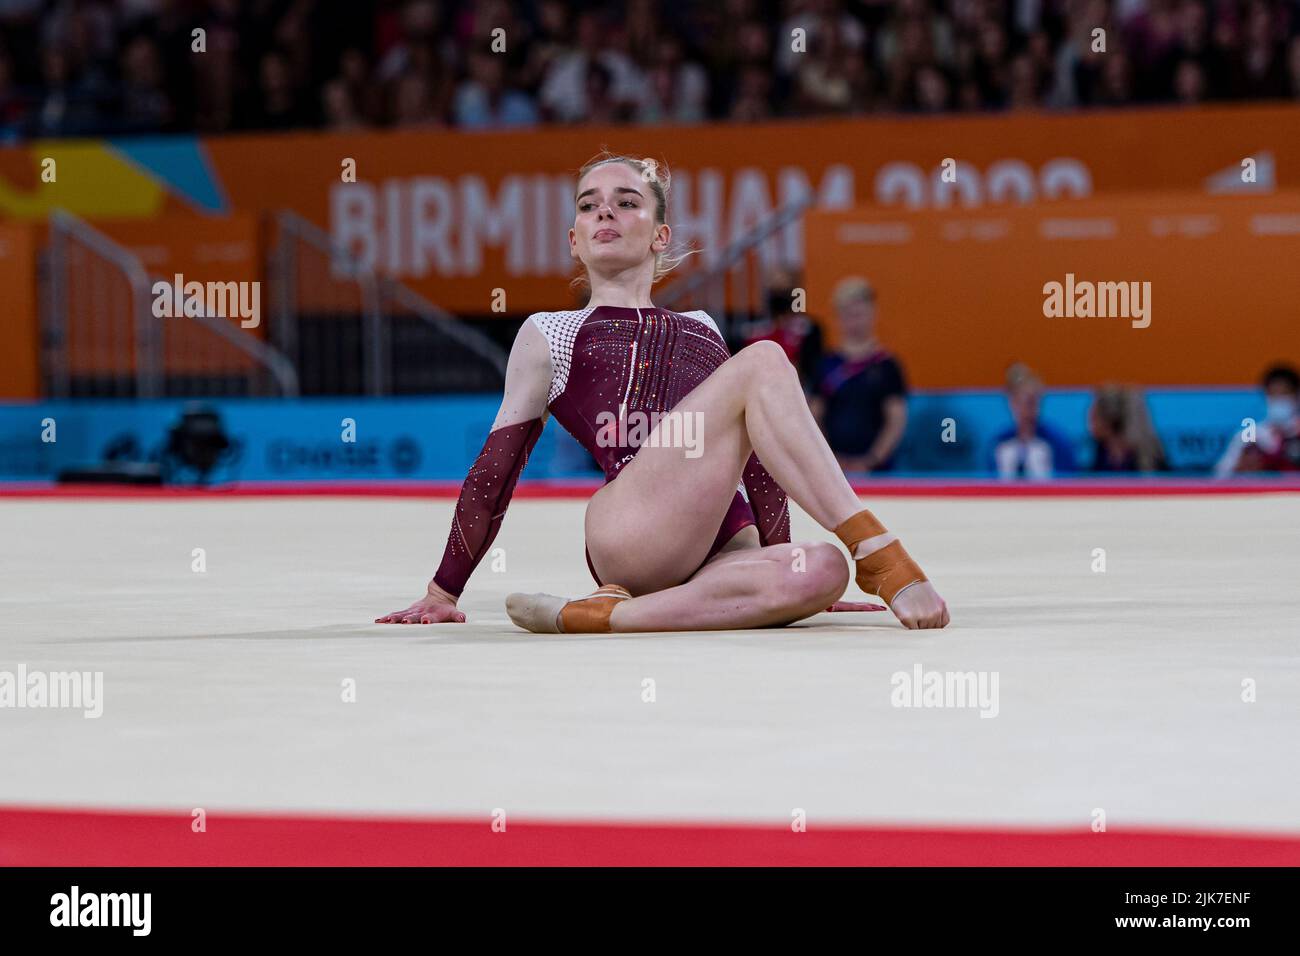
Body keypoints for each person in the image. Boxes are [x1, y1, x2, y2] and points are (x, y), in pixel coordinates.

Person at [377, 154, 948, 632]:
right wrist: (443, 589)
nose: (605, 210)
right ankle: (878, 551)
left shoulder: (703, 327)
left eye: (627, 201)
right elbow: (495, 469)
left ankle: (603, 618)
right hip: (632, 532)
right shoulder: (550, 331)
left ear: (660, 235)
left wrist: (779, 553)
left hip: (725, 544)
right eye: (588, 204)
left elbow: (761, 463)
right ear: (574, 241)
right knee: (767, 360)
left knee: (819, 570)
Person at [809, 278, 908, 474]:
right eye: (848, 315)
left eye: (859, 314)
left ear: (872, 314)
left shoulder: (887, 365)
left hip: (877, 471)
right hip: (833, 471)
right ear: (838, 318)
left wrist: (872, 460)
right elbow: (813, 418)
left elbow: (896, 420)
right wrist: (831, 460)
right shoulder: (826, 365)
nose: (854, 321)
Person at [990, 364, 1076, 479]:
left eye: (1033, 402)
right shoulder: (999, 442)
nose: (1027, 410)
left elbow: (1069, 483)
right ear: (1011, 403)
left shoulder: (1057, 442)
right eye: (1021, 402)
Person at [1214, 363, 1300, 476]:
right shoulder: (1248, 436)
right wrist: (1240, 468)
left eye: (1284, 393)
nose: (1278, 399)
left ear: (1297, 396)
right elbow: (1220, 475)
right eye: (1273, 394)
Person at [1087, 383, 1167, 472]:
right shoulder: (1100, 452)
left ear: (1109, 420)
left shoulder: (1150, 458)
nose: (1089, 424)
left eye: (1094, 418)